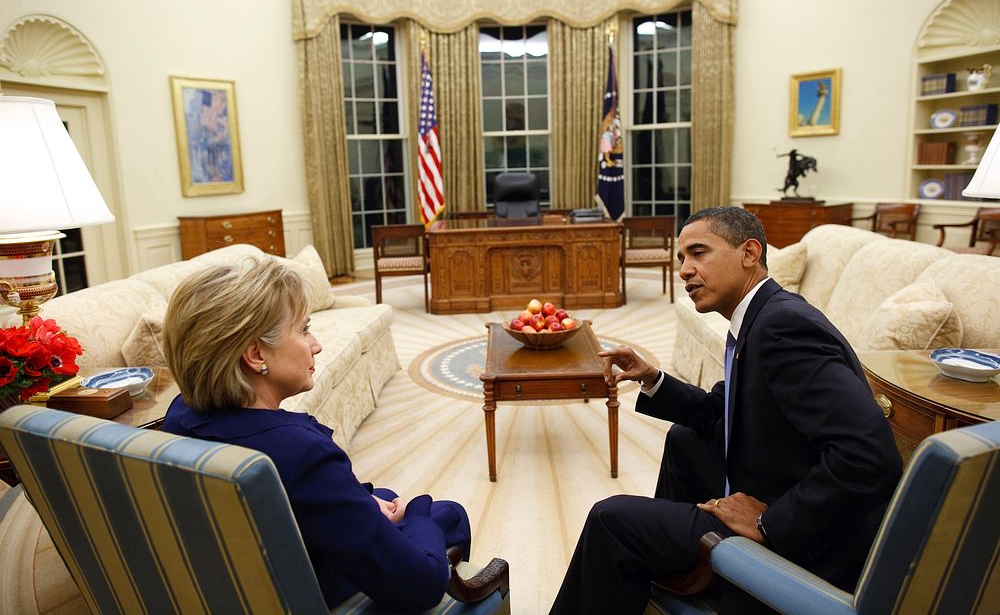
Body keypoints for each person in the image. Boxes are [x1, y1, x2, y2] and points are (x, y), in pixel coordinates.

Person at [550, 206, 902, 614]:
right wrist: (654, 378)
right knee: (685, 439)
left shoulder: (781, 328)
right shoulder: (758, 316)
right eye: (682, 258)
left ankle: (700, 559)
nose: (685, 269)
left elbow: (871, 456)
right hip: (775, 476)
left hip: (811, 538)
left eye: (699, 253)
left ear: (749, 253)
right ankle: (683, 564)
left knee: (611, 519)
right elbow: (723, 411)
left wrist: (770, 523)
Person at [161, 258, 471, 611]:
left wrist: (358, 499)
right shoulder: (303, 455)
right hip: (304, 592)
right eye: (304, 330)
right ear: (255, 354)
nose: (317, 344)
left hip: (238, 576)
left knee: (381, 496)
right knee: (447, 516)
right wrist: (418, 510)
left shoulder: (180, 414)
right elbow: (421, 586)